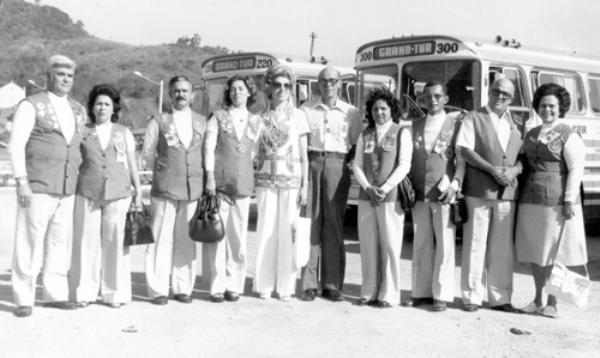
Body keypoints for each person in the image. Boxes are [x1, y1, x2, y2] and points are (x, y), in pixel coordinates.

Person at [9, 55, 86, 317]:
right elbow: (16, 145)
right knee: (28, 243)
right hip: (37, 185)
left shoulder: (77, 109)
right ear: (48, 76)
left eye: (70, 75)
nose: (65, 79)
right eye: (60, 74)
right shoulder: (31, 105)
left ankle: (55, 294)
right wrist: (22, 181)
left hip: (67, 187)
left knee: (58, 243)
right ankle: (23, 298)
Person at [515, 83, 588, 318]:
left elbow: (576, 169)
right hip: (530, 198)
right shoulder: (532, 133)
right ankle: (538, 299)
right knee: (536, 251)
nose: (547, 109)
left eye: (552, 106)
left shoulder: (569, 134)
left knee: (553, 253)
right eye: (543, 105)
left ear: (561, 107)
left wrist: (568, 201)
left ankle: (552, 303)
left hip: (555, 201)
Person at [71, 84, 143, 308]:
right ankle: (85, 292)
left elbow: (132, 164)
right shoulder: (82, 131)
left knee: (115, 244)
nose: (102, 108)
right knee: (87, 243)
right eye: (98, 103)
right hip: (88, 192)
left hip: (118, 193)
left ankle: (114, 293)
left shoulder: (124, 132)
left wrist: (138, 192)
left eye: (107, 104)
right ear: (92, 107)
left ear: (114, 108)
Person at [456, 78, 524, 313]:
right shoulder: (473, 118)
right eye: (496, 91)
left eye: (506, 94)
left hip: (507, 193)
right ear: (489, 91)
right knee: (475, 243)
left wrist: (514, 170)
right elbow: (465, 150)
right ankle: (472, 296)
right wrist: (492, 170)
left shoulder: (516, 122)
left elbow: (522, 156)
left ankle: (500, 297)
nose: (500, 97)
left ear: (512, 99)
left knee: (502, 247)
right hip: (479, 190)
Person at [143, 75, 206, 305]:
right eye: (177, 91)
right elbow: (148, 154)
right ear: (170, 94)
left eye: (185, 91)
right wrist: (161, 174)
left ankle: (183, 288)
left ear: (192, 95)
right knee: (160, 239)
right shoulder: (159, 120)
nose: (181, 95)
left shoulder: (201, 122)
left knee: (186, 240)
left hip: (192, 190)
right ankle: (158, 289)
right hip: (165, 189)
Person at [300, 66, 361, 301]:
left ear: (339, 83)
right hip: (314, 161)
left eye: (333, 81)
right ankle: (309, 283)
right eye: (324, 81)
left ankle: (332, 284)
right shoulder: (306, 109)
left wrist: (348, 167)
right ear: (318, 83)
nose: (328, 85)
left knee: (334, 224)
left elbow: (355, 144)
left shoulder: (351, 112)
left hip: (338, 163)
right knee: (312, 222)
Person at [253, 65, 309, 301]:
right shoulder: (259, 119)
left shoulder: (298, 116)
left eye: (287, 86)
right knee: (265, 231)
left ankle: (285, 287)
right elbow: (253, 154)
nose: (282, 90)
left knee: (288, 232)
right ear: (269, 87)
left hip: (291, 181)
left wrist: (305, 185)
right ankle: (264, 284)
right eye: (277, 85)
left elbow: (305, 156)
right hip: (265, 182)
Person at [352, 88, 412, 308]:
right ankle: (368, 291)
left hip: (390, 196)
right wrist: (368, 187)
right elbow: (357, 165)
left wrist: (385, 187)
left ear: (391, 110)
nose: (379, 112)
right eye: (375, 108)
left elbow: (404, 164)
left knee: (390, 245)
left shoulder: (400, 132)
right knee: (368, 244)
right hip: (367, 196)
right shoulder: (364, 134)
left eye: (384, 108)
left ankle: (389, 294)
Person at [204, 75, 262, 302]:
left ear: (249, 92)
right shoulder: (217, 117)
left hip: (243, 183)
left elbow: (255, 152)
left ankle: (235, 284)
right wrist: (209, 177)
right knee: (218, 234)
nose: (238, 92)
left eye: (242, 89)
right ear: (228, 93)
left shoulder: (256, 121)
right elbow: (209, 148)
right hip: (220, 183)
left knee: (238, 236)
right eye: (234, 89)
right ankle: (217, 285)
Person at [407, 81, 464, 311]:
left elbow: (461, 161)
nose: (433, 100)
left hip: (444, 193)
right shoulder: (415, 124)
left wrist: (455, 184)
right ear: (422, 99)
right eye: (428, 96)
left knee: (445, 245)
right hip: (419, 191)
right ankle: (421, 292)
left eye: (438, 96)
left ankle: (442, 294)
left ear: (446, 99)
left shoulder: (455, 125)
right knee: (420, 243)